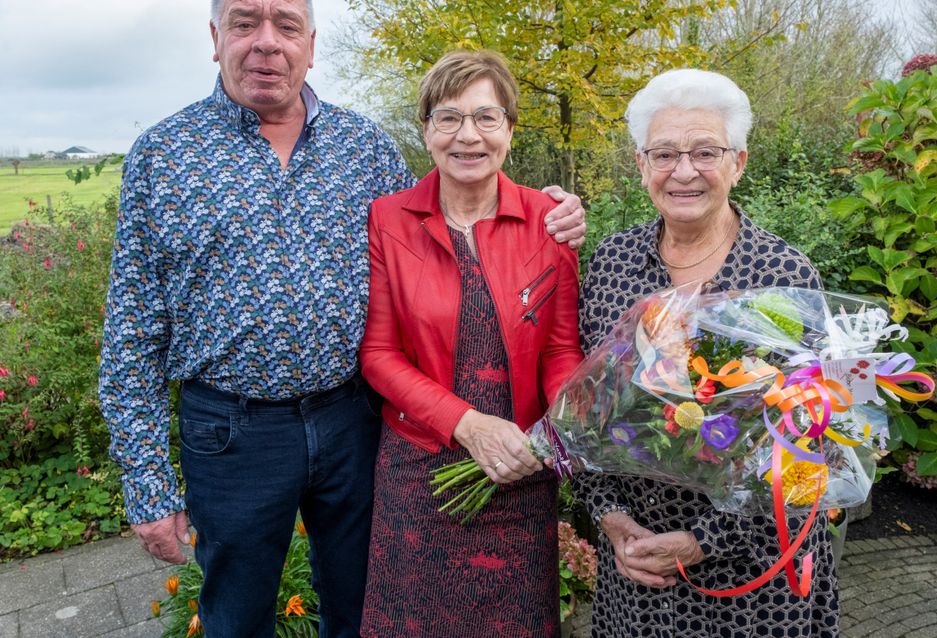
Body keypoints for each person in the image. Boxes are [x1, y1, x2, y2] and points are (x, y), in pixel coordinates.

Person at [98, 2, 586, 635]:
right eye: (246, 23)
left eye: (286, 26)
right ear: (215, 38)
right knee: (236, 616)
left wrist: (548, 211)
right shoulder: (165, 155)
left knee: (362, 609)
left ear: (311, 43)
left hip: (352, 424)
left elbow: (449, 208)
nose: (267, 44)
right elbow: (131, 333)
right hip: (233, 433)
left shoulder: (363, 147)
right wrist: (148, 488)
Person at [576, 68, 839, 637]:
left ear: (738, 163)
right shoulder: (613, 262)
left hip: (749, 572)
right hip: (639, 562)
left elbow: (807, 444)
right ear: (642, 164)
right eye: (665, 153)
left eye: (705, 151)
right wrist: (610, 518)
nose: (685, 171)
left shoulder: (782, 275)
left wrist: (706, 541)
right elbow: (584, 412)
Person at [357, 49, 585, 638]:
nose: (468, 135)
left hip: (519, 470)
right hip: (421, 470)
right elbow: (379, 354)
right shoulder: (388, 219)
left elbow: (561, 349)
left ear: (509, 129)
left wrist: (567, 425)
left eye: (486, 117)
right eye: (449, 117)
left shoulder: (550, 221)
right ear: (427, 131)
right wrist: (468, 425)